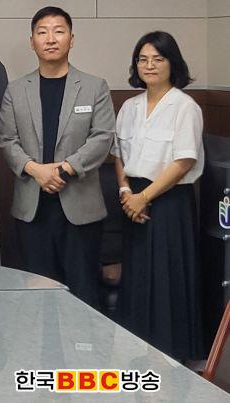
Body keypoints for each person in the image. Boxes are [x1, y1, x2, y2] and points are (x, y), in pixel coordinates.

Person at [0, 6, 114, 307]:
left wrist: (64, 169)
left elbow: (102, 137)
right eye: (42, 32)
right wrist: (36, 170)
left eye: (59, 31)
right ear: (32, 41)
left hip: (80, 207)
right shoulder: (15, 90)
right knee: (38, 293)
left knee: (83, 291)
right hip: (32, 208)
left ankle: (85, 340)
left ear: (71, 40)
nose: (51, 38)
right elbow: (7, 140)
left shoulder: (94, 87)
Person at [113, 31, 203, 361]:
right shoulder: (130, 107)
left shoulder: (184, 106)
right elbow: (119, 153)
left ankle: (171, 354)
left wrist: (145, 197)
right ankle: (136, 353)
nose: (149, 65)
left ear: (172, 63)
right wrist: (127, 192)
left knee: (168, 276)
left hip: (169, 202)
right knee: (138, 277)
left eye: (158, 59)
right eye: (143, 59)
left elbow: (184, 161)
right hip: (132, 201)